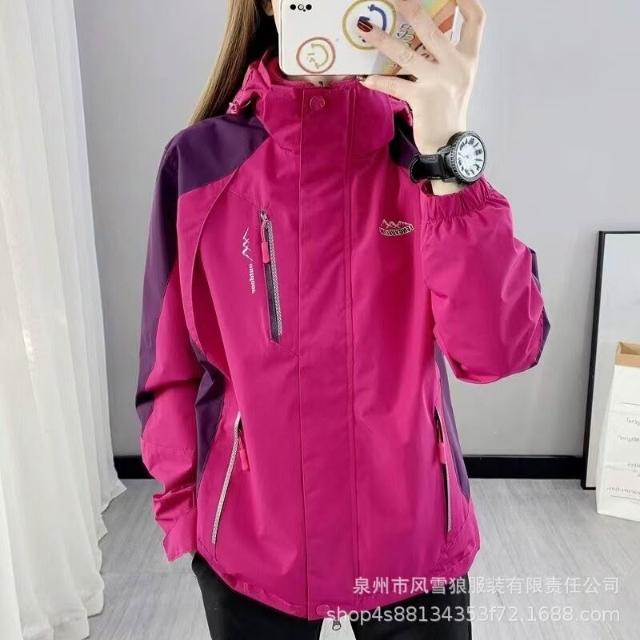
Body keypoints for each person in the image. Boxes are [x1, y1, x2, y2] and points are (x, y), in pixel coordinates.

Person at [135, 0, 550, 637]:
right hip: (251, 543)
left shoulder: (424, 155)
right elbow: (168, 360)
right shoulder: (201, 163)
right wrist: (187, 517)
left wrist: (448, 151)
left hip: (413, 536)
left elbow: (498, 351)